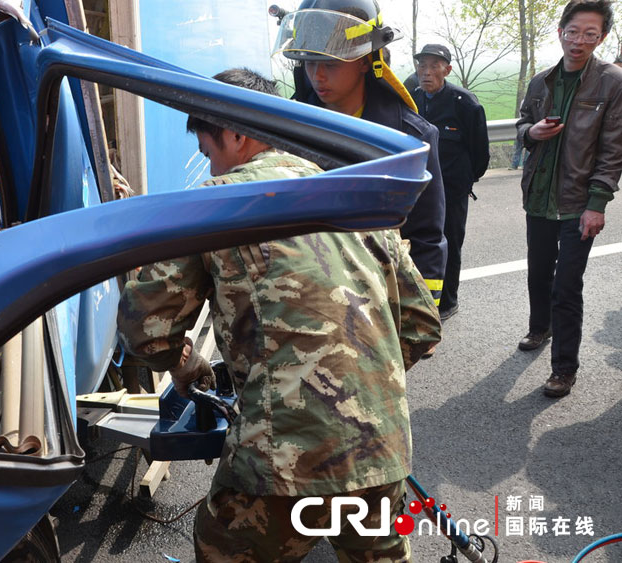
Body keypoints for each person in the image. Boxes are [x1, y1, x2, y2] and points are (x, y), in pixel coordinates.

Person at [117, 67, 441, 562]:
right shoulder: (354, 194)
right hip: (381, 453)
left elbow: (146, 330)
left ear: (236, 133)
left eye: (210, 154)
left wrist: (184, 364)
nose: (212, 171)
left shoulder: (211, 205)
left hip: (279, 465)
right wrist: (355, 381)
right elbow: (421, 328)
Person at [276, 0, 448, 314]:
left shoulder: (410, 138)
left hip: (377, 299)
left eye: (330, 63)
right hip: (302, 298)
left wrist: (422, 313)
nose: (318, 76)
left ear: (366, 61)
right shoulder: (286, 128)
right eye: (309, 62)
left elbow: (426, 232)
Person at [515, 0, 622, 397]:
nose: (579, 41)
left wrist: (598, 202)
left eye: (590, 34)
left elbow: (613, 149)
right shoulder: (541, 79)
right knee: (538, 274)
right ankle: (538, 328)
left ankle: (564, 367)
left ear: (602, 38)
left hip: (579, 200)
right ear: (561, 31)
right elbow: (522, 123)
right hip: (539, 195)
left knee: (566, 285)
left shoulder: (612, 82)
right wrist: (531, 133)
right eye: (573, 31)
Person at [411, 44, 489, 320]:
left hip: (452, 189)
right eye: (422, 65)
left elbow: (480, 151)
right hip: (418, 188)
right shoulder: (411, 99)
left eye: (434, 66)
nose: (427, 72)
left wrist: (466, 180)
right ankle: (418, 299)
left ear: (447, 69)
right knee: (418, 243)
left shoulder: (464, 103)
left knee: (450, 242)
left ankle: (447, 302)